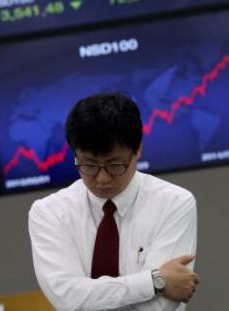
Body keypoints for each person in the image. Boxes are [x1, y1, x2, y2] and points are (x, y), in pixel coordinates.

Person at [28, 93, 199, 311]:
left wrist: (92, 294)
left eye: (115, 165)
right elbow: (69, 299)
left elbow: (160, 306)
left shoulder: (174, 202)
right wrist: (154, 281)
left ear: (137, 150)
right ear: (75, 155)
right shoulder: (48, 213)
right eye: (89, 165)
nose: (102, 178)